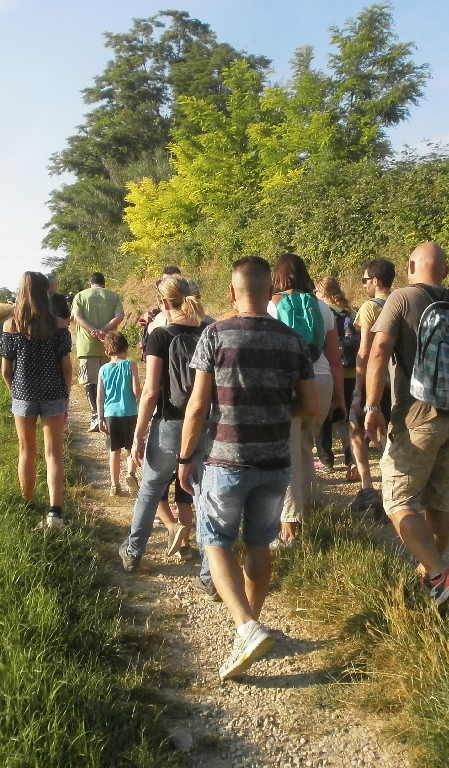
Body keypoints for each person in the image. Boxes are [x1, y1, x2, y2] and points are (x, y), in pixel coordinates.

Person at [177, 256, 318, 680]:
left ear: (232, 291)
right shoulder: (293, 340)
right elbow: (311, 405)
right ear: (270, 292)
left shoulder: (215, 335)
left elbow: (199, 404)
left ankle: (246, 626)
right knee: (259, 545)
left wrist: (185, 458)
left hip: (226, 459)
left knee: (215, 540)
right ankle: (250, 629)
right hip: (275, 461)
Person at [363, 243, 449, 611]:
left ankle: (439, 572)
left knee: (398, 500)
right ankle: (433, 580)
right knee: (440, 501)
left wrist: (372, 406)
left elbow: (379, 351)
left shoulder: (402, 298)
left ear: (411, 266)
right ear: (444, 271)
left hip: (417, 418)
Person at [119, 276, 209, 572]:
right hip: (206, 424)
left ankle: (133, 552)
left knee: (151, 488)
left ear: (162, 303)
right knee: (203, 491)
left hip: (169, 423)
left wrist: (138, 436)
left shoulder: (159, 336)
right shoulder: (211, 330)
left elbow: (150, 392)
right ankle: (209, 567)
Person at [268, 254, 345, 546]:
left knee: (288, 453)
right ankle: (309, 509)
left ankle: (289, 530)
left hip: (287, 382)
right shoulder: (323, 308)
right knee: (305, 448)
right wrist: (339, 397)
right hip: (321, 381)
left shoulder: (271, 306)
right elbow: (335, 359)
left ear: (276, 276)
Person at [0, 271, 72, 528]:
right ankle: (55, 511)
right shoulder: (59, 325)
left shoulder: (11, 325)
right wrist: (66, 397)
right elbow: (66, 368)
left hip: (23, 394)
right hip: (53, 392)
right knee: (54, 453)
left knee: (26, 451)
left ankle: (27, 504)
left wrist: (14, 390)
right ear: (46, 292)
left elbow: (6, 370)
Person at [349, 258, 395, 514]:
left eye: (365, 280)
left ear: (376, 281)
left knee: (356, 429)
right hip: (399, 380)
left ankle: (368, 487)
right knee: (391, 432)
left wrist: (357, 390)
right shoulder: (405, 303)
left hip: (373, 379)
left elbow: (365, 351)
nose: (364, 284)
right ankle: (392, 487)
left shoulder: (370, 307)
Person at [71, 272, 124, 432]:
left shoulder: (80, 296)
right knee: (110, 380)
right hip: (109, 344)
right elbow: (120, 316)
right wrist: (104, 330)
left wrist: (93, 330)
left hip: (87, 346)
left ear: (89, 284)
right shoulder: (113, 296)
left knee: (91, 382)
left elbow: (77, 317)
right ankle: (110, 416)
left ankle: (95, 416)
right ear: (104, 284)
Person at [313, 277, 355, 474]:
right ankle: (351, 459)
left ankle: (326, 460)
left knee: (324, 418)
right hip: (352, 371)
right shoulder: (350, 311)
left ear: (323, 293)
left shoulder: (322, 311)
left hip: (331, 369)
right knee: (345, 417)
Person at [96, 331, 141, 496]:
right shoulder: (131, 365)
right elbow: (136, 391)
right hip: (129, 412)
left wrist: (100, 417)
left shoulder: (103, 370)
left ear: (107, 350)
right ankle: (131, 474)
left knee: (113, 451)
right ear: (126, 348)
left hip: (110, 414)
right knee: (131, 448)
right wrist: (143, 399)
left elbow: (100, 396)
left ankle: (114, 486)